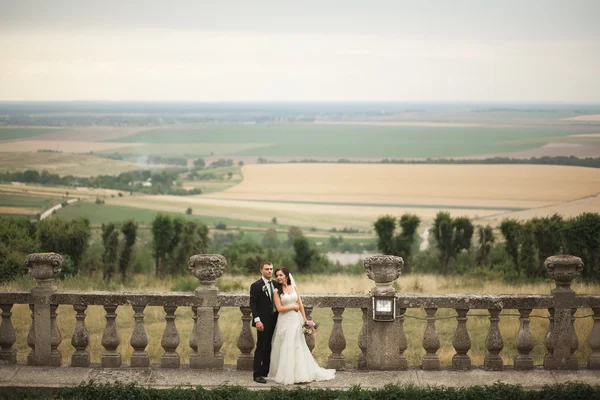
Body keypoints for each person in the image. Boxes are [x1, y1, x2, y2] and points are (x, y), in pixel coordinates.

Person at [268, 267, 336, 385]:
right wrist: (293, 307)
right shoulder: (276, 291)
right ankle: (287, 375)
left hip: (296, 319)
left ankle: (301, 373)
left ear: (287, 276)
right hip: (285, 320)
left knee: (298, 345)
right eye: (277, 275)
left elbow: (300, 304)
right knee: (287, 345)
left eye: (281, 275)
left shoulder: (293, 287)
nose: (278, 277)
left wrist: (305, 320)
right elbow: (279, 308)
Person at [249, 261, 282, 383]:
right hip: (262, 321)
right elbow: (253, 304)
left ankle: (266, 370)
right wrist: (257, 320)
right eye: (267, 269)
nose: (270, 271)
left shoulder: (276, 284)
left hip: (276, 321)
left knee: (271, 346)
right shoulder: (256, 286)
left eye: (271, 269)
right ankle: (257, 374)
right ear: (261, 270)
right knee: (261, 347)